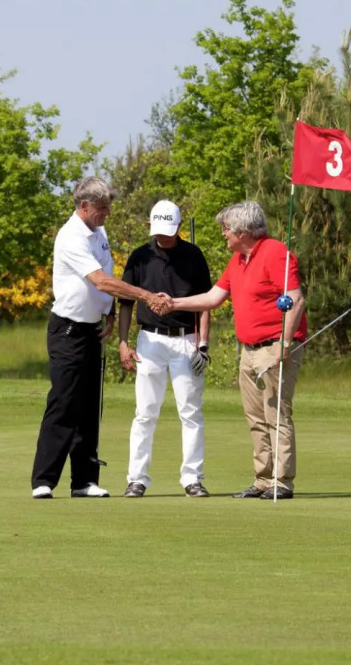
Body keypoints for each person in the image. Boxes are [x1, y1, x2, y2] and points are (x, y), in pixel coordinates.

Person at [31, 177, 172, 499]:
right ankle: (43, 480)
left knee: (89, 405)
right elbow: (101, 281)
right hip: (68, 329)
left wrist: (109, 313)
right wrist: (147, 296)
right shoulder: (71, 236)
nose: (108, 213)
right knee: (64, 402)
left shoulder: (99, 232)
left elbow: (106, 276)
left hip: (92, 329)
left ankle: (84, 481)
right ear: (84, 206)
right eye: (103, 208)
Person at [166, 200, 306, 499]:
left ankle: (282, 482)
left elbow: (295, 299)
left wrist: (284, 342)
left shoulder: (275, 252)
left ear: (243, 231)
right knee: (255, 416)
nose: (223, 233)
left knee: (276, 414)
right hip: (249, 350)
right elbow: (213, 298)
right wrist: (172, 303)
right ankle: (263, 480)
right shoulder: (238, 259)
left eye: (226, 228)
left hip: (274, 347)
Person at [116, 200, 214, 497]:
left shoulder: (194, 255)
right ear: (150, 226)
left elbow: (206, 303)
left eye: (169, 231)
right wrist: (123, 342)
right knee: (145, 412)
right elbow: (126, 303)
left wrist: (203, 344)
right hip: (150, 340)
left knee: (190, 411)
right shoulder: (139, 257)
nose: (164, 236)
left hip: (186, 339)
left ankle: (192, 477)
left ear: (179, 226)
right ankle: (137, 478)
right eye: (159, 231)